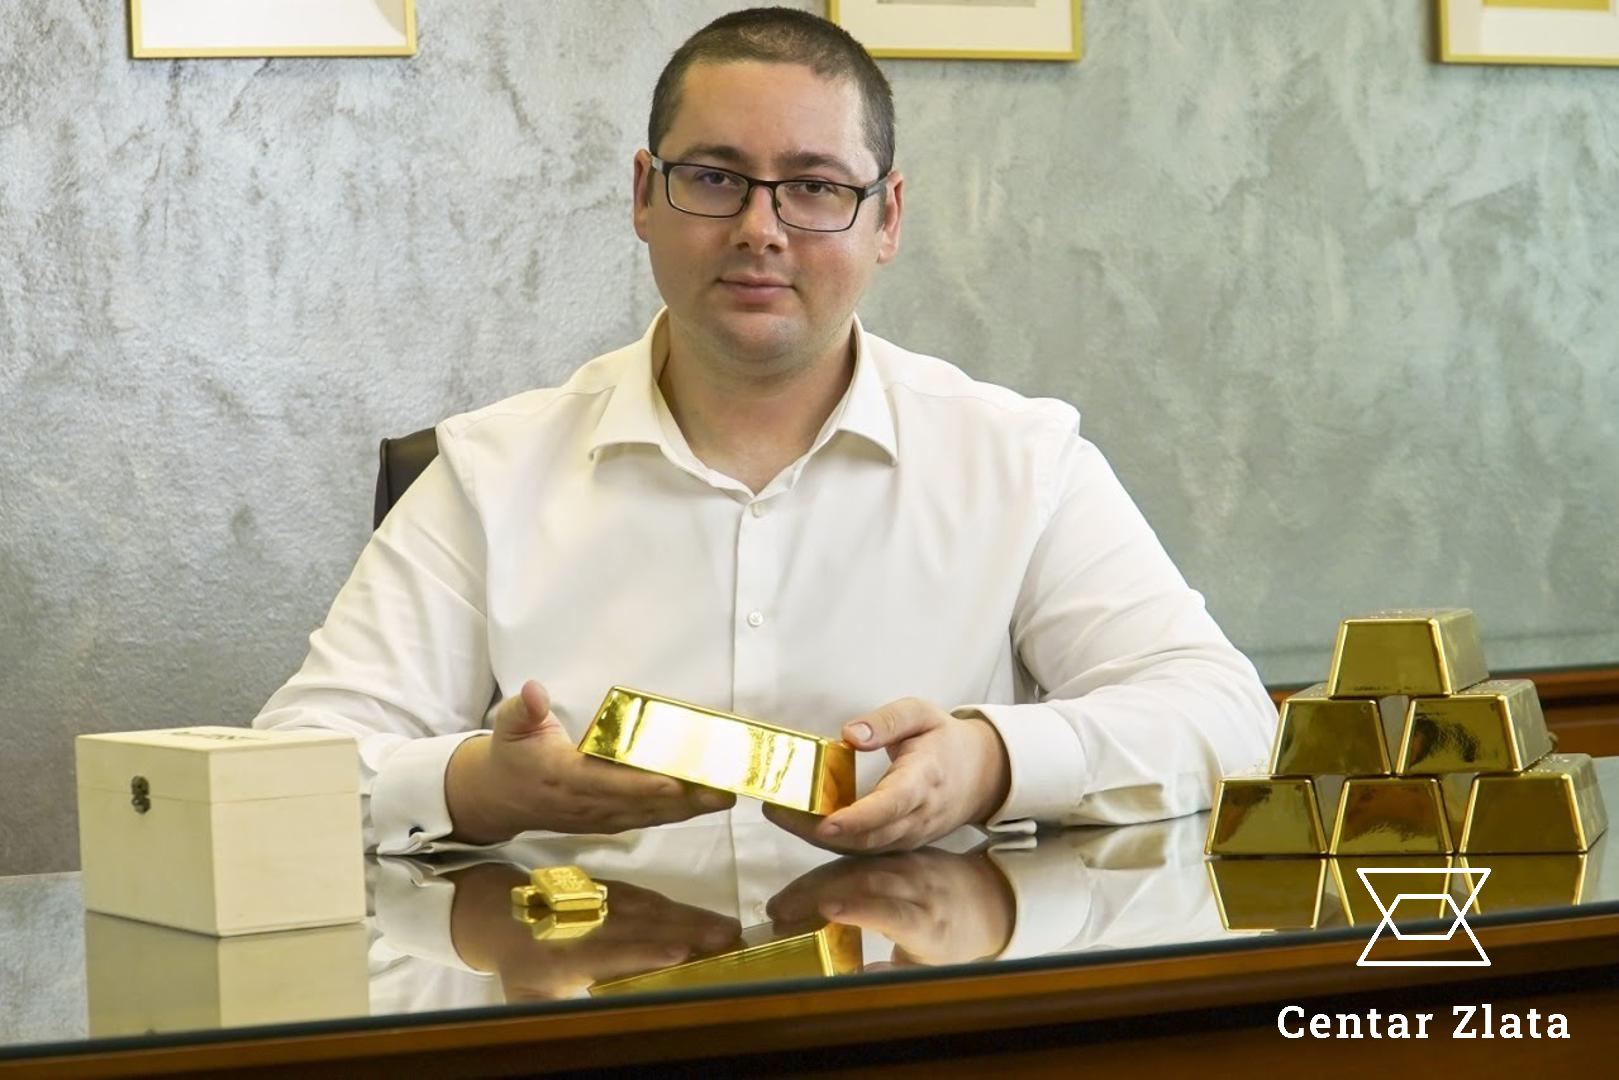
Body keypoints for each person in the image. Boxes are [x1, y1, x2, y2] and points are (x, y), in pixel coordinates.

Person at [254, 8, 1277, 857]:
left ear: (886, 219)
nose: (759, 228)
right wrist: (477, 788)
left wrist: (989, 763)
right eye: (714, 177)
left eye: (815, 187)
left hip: (921, 996)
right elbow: (286, 773)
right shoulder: (489, 471)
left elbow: (1225, 717)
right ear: (643, 196)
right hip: (584, 1001)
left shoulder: (1019, 460)